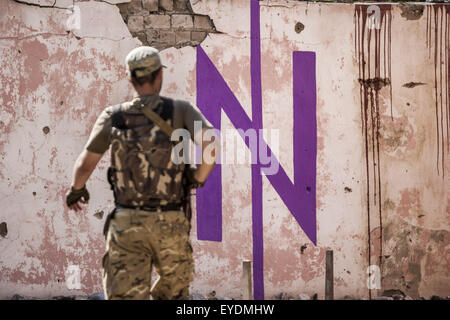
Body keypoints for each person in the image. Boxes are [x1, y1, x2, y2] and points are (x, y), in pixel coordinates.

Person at [65, 46, 216, 300]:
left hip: (127, 224)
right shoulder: (181, 111)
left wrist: (76, 189)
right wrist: (197, 179)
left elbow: (84, 165)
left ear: (131, 78)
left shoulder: (114, 116)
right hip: (170, 221)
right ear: (160, 76)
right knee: (175, 293)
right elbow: (212, 145)